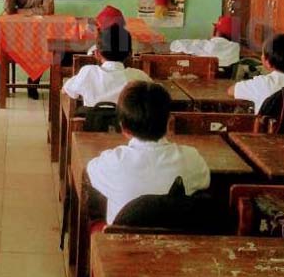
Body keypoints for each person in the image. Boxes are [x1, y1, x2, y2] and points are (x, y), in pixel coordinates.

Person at [87, 81, 210, 224]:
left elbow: (91, 170)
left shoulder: (112, 162)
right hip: (174, 243)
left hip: (123, 244)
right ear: (170, 123)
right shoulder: (191, 158)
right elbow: (205, 181)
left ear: (123, 128)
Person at [63, 24, 151, 107]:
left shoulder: (88, 72)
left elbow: (67, 90)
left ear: (97, 54)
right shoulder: (139, 77)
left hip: (94, 122)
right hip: (126, 122)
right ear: (130, 54)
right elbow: (156, 92)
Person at [228, 33, 284, 113]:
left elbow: (231, 90)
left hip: (266, 125)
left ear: (268, 63)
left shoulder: (262, 83)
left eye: (262, 54)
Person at [169, 14, 240, 68]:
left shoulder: (205, 45)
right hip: (226, 82)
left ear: (215, 31)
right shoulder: (236, 47)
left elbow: (175, 44)